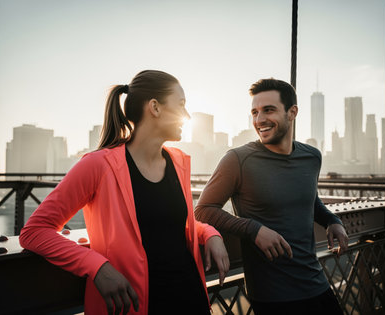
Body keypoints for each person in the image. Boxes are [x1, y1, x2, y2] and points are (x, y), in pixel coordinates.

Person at [19, 70, 229, 315]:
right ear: (155, 107)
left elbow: (172, 224)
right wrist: (97, 267)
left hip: (190, 300)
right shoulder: (98, 165)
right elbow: (34, 231)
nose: (187, 115)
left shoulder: (178, 162)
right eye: (181, 105)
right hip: (135, 307)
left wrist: (211, 233)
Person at [195, 78, 348, 315]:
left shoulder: (312, 157)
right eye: (254, 112)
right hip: (273, 297)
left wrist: (331, 220)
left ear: (292, 112)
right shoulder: (237, 159)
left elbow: (309, 199)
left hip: (316, 284)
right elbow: (204, 209)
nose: (259, 120)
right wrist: (254, 229)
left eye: (268, 110)